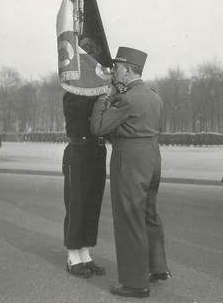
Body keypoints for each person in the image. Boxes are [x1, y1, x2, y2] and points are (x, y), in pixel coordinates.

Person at [91, 47, 171, 298]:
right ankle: (157, 268)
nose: (114, 72)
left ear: (126, 70)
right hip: (152, 158)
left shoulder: (126, 98)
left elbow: (98, 127)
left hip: (130, 161)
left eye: (116, 68)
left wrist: (104, 98)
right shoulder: (154, 96)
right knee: (149, 213)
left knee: (129, 218)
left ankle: (136, 283)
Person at [62, 92, 107, 278]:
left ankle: (85, 252)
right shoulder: (72, 95)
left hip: (97, 150)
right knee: (77, 204)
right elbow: (79, 115)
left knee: (92, 204)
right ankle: (73, 255)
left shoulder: (100, 94)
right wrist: (100, 99)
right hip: (79, 150)